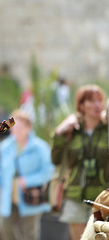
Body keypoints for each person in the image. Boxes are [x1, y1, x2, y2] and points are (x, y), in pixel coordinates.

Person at [52, 84, 109, 240]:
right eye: (92, 101)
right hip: (75, 196)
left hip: (103, 197)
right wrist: (59, 132)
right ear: (82, 105)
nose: (97, 105)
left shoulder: (107, 129)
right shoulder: (72, 130)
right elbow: (55, 159)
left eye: (100, 100)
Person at [0, 109, 54, 240]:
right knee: (4, 227)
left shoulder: (40, 147)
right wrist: (0, 187)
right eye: (13, 127)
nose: (15, 130)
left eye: (19, 127)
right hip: (8, 195)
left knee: (30, 233)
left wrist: (27, 180)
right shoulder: (4, 147)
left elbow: (48, 171)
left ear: (29, 127)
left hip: (30, 195)